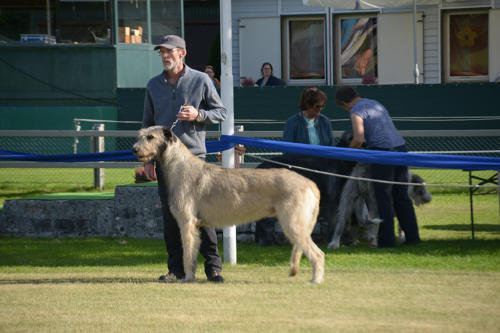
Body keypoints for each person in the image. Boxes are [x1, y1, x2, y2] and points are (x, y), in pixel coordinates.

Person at [141, 34, 227, 282]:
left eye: (169, 51)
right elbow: (147, 126)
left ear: (182, 53)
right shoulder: (153, 85)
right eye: (162, 52)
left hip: (194, 161)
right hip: (164, 163)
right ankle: (176, 270)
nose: (165, 56)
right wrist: (147, 161)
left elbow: (220, 112)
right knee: (171, 216)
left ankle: (214, 268)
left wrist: (198, 114)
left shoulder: (201, 80)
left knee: (202, 214)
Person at [335, 85, 420, 247]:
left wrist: (346, 153)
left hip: (382, 153)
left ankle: (386, 241)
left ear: (344, 103)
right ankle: (413, 238)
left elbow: (358, 139)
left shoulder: (356, 111)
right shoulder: (374, 103)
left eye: (343, 108)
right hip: (401, 149)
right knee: (402, 196)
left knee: (384, 197)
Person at [255, 87, 335, 246]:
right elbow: (287, 151)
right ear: (307, 104)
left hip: (322, 169)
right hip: (300, 168)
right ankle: (266, 238)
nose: (320, 110)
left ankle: (333, 235)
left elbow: (331, 146)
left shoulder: (325, 122)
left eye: (322, 106)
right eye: (317, 106)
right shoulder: (293, 122)